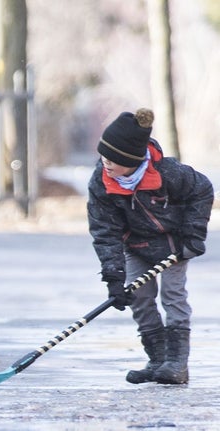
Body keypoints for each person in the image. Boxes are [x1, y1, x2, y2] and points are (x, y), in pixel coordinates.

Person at [87, 108, 214, 385]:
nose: (106, 164)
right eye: (104, 157)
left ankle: (177, 363)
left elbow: (202, 189)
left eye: (114, 160)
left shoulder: (167, 172)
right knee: (139, 298)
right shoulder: (101, 182)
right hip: (135, 245)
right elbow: (104, 230)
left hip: (174, 243)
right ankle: (157, 360)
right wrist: (113, 277)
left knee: (173, 295)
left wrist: (193, 236)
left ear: (132, 161)